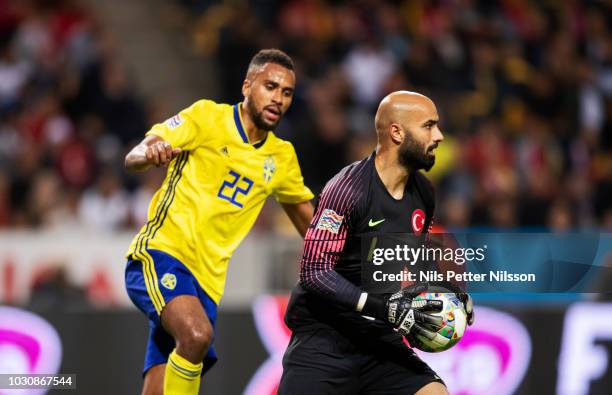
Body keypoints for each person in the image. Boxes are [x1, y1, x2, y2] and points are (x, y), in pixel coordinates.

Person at [124, 49, 314, 395]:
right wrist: (149, 153)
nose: (278, 98)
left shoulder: (281, 157)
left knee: (160, 385)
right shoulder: (206, 117)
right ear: (247, 85)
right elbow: (136, 154)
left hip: (206, 285)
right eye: (270, 86)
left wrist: (362, 262)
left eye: (287, 93)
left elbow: (313, 229)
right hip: (161, 253)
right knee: (195, 335)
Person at [279, 91, 474, 395]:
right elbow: (314, 272)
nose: (439, 135)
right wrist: (384, 309)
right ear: (397, 132)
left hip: (377, 339)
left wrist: (450, 292)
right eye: (428, 126)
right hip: (325, 340)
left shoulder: (424, 192)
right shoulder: (347, 190)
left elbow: (412, 260)